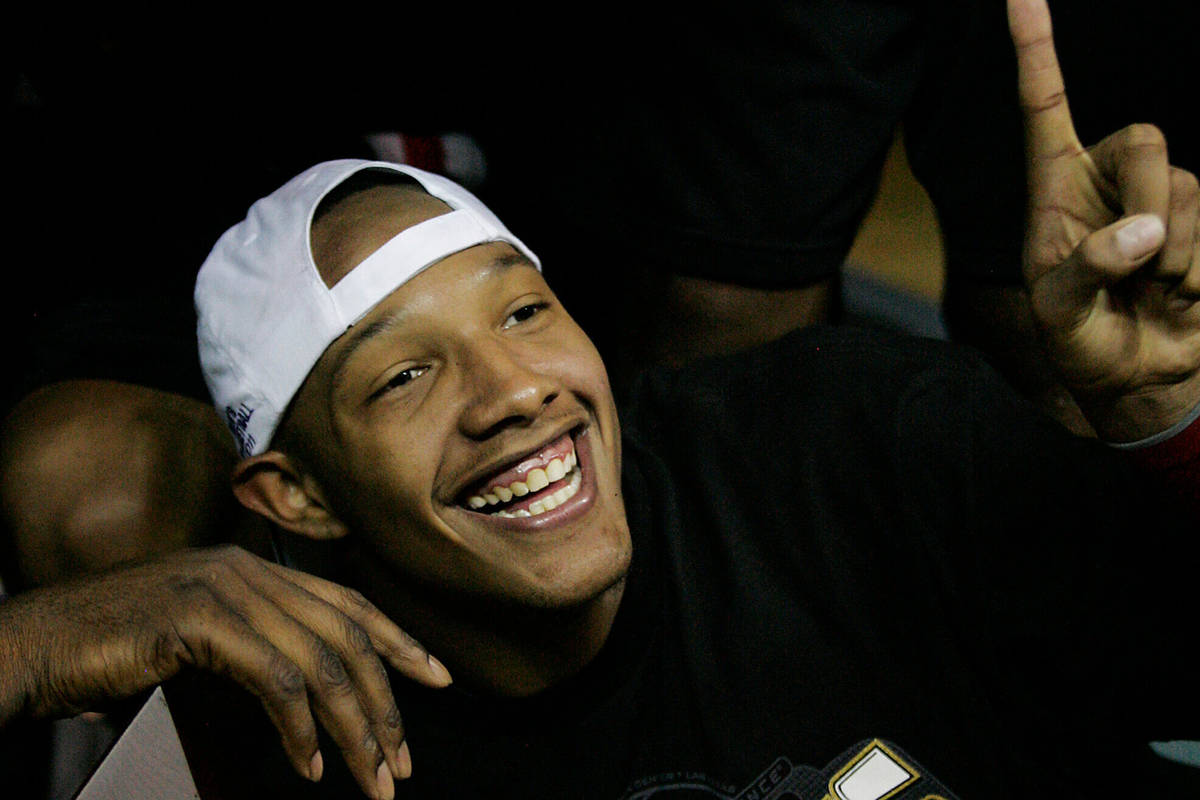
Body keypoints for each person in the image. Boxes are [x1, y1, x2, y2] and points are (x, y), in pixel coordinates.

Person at [2, 0, 1200, 797]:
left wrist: (1171, 418)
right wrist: (35, 645)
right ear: (298, 497)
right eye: (406, 374)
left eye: (522, 312)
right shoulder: (289, 729)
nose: (514, 391)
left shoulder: (848, 446)